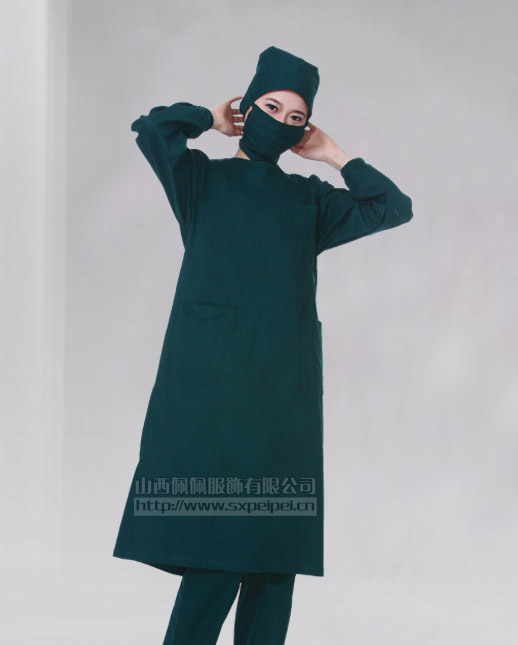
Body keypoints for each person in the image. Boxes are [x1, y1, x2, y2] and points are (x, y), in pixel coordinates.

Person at [113, 45, 414, 644]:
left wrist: (333, 154)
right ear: (247, 108)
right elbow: (152, 129)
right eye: (271, 107)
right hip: (212, 399)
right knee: (217, 557)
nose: (283, 121)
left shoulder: (309, 199)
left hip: (282, 403)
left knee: (274, 567)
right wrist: (209, 118)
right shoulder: (201, 181)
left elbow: (391, 207)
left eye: (297, 117)